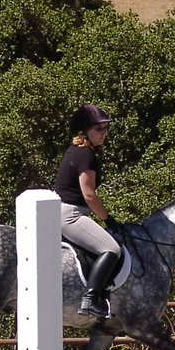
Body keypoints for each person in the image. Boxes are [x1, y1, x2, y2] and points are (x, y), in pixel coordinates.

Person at [53, 104, 122, 318]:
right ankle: (90, 299)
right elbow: (89, 195)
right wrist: (108, 219)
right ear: (84, 131)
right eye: (99, 129)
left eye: (106, 129)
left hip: (62, 212)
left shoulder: (77, 150)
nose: (104, 133)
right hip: (71, 215)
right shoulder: (86, 154)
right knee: (112, 249)